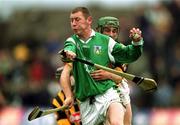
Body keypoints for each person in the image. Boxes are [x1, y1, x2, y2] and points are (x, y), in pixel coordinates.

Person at [60, 7, 143, 125]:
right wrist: (68, 96)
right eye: (72, 20)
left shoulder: (108, 43)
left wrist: (137, 42)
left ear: (89, 20)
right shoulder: (72, 42)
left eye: (77, 19)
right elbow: (68, 51)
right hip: (87, 102)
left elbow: (125, 63)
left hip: (109, 92)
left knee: (117, 122)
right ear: (99, 29)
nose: (73, 23)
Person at [93, 16, 132, 125]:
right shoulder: (90, 46)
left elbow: (118, 77)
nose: (111, 34)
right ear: (98, 30)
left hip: (116, 91)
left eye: (114, 31)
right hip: (93, 94)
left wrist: (108, 74)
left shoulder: (120, 50)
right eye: (107, 30)